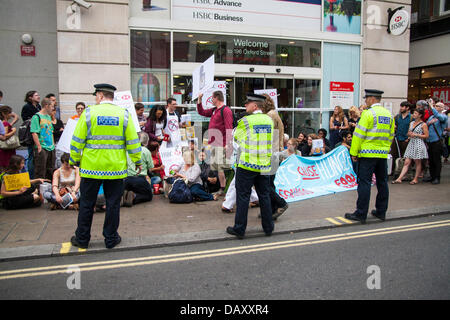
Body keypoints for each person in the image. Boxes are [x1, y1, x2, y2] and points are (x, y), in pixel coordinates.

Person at [69, 83, 142, 250]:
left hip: (90, 168)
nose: (95, 98)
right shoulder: (124, 115)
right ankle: (110, 238)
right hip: (115, 169)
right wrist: (137, 160)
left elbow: (77, 140)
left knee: (87, 204)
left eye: (96, 96)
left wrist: (74, 159)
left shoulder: (88, 113)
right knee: (113, 204)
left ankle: (82, 239)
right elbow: (133, 141)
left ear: (100, 95)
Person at [226, 93, 274, 239]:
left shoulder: (245, 121)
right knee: (264, 195)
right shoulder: (269, 119)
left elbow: (236, 139)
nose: (245, 106)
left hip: (247, 164)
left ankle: (239, 229)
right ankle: (268, 227)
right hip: (264, 164)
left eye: (247, 104)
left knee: (243, 196)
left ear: (255, 106)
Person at [345, 89, 395, 224]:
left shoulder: (368, 114)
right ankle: (381, 211)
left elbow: (358, 135)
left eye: (366, 98)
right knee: (382, 182)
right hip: (382, 155)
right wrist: (385, 149)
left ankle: (361, 213)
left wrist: (354, 153)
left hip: (367, 154)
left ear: (372, 99)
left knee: (364, 183)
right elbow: (391, 135)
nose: (365, 101)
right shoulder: (389, 115)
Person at [197, 91, 234, 197]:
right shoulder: (214, 110)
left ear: (216, 98)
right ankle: (222, 189)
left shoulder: (225, 110)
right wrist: (199, 100)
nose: (211, 100)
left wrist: (227, 144)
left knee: (221, 168)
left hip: (221, 144)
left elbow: (229, 127)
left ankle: (224, 190)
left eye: (212, 98)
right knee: (218, 168)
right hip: (213, 144)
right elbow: (202, 112)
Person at [262, 94, 288, 220]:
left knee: (266, 185)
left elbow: (266, 136)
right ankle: (270, 210)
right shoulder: (274, 113)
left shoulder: (269, 116)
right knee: (269, 183)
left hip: (270, 154)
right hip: (275, 154)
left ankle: (281, 203)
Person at [392, 108, 429, 185]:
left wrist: (416, 135)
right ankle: (399, 178)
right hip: (411, 142)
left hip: (418, 143)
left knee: (417, 162)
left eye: (415, 113)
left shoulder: (423, 124)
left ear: (420, 115)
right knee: (406, 162)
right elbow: (408, 132)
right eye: (414, 113)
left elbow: (426, 135)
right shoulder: (412, 123)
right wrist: (409, 135)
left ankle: (415, 178)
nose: (414, 115)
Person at [123, 132, 154, 206]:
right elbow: (150, 168)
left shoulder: (127, 150)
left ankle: (124, 196)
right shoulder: (145, 151)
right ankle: (134, 196)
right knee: (149, 196)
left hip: (126, 179)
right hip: (139, 178)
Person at [423, 100, 447, 184]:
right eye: (435, 106)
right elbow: (426, 124)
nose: (435, 107)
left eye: (437, 106)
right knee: (431, 160)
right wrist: (429, 123)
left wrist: (432, 106)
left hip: (437, 141)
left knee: (437, 160)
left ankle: (437, 177)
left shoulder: (443, 116)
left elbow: (439, 116)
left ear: (442, 108)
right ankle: (432, 176)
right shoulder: (431, 117)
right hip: (429, 141)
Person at [31, 98, 55, 181]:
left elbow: (51, 131)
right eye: (52, 106)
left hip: (50, 146)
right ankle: (39, 189)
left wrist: (53, 144)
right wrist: (39, 146)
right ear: (46, 106)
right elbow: (34, 132)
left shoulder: (48, 117)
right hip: (42, 146)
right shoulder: (36, 117)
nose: (53, 108)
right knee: (40, 169)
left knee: (50, 169)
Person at [21, 90, 42, 178]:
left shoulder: (38, 106)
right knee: (31, 157)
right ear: (30, 97)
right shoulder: (27, 107)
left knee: (38, 157)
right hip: (30, 135)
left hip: (39, 134)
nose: (38, 96)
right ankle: (31, 177)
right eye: (36, 95)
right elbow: (25, 120)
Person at [390, 101, 412, 175]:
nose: (401, 108)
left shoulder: (411, 117)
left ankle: (404, 173)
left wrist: (408, 138)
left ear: (407, 108)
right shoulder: (397, 117)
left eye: (402, 107)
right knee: (393, 155)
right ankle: (393, 171)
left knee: (405, 157)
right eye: (401, 107)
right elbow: (394, 126)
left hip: (406, 140)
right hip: (397, 139)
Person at [0, 106, 18, 170]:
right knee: (7, 166)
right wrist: (13, 131)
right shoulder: (5, 123)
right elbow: (4, 135)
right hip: (6, 150)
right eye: (9, 113)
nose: (10, 114)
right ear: (3, 114)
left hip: (7, 149)